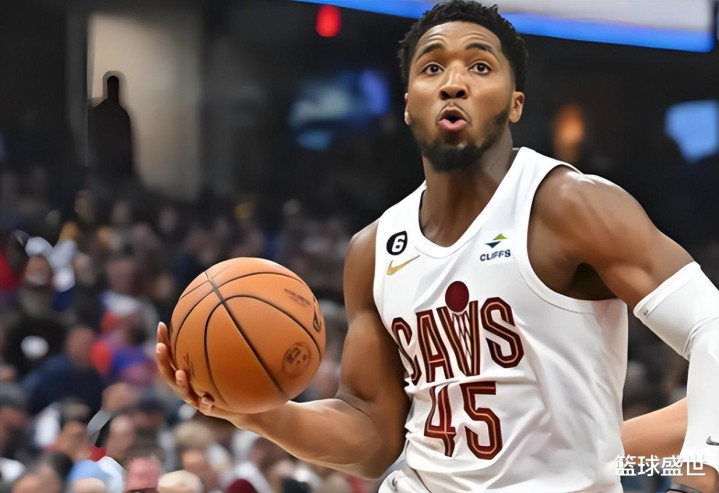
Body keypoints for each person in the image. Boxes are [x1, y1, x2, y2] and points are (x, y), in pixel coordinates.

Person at [157, 2, 719, 492]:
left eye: (480, 65)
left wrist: (702, 461)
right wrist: (257, 413)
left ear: (516, 103)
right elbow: (371, 435)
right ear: (408, 104)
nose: (454, 82)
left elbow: (710, 326)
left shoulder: (570, 205)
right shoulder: (374, 249)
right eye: (432, 67)